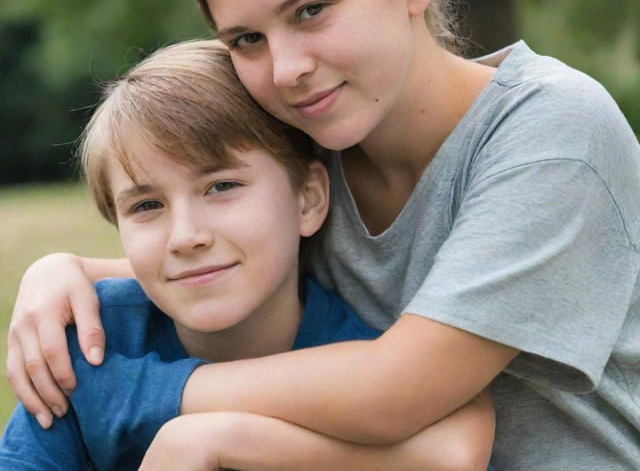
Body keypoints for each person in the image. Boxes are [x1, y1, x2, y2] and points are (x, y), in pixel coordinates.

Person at [7, 0, 640, 469]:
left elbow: (397, 391)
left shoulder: (550, 131)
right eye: (247, 38)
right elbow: (235, 250)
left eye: (311, 10)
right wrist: (66, 272)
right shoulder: (315, 140)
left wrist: (125, 395)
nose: (285, 69)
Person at [1, 40, 494, 470]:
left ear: (308, 199)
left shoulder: (359, 358)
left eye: (222, 186)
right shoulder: (89, 346)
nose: (186, 236)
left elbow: (457, 448)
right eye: (147, 205)